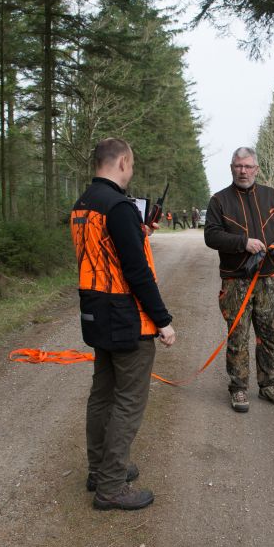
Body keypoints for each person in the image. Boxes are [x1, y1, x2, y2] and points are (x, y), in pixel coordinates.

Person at [70, 137, 176, 511]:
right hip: (125, 314)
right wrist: (162, 320)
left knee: (102, 394)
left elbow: (106, 253)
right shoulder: (119, 205)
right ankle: (111, 486)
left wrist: (138, 233)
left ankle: (99, 470)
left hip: (94, 308)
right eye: (130, 166)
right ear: (122, 163)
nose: (131, 172)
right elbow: (136, 271)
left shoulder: (84, 204)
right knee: (129, 400)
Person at [204, 147, 274, 413]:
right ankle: (239, 388)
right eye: (237, 166)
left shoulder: (273, 196)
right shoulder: (219, 200)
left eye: (247, 166)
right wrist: (243, 243)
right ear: (231, 168)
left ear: (256, 168)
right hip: (235, 281)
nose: (242, 171)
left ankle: (269, 384)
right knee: (238, 336)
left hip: (267, 278)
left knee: (268, 334)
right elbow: (211, 236)